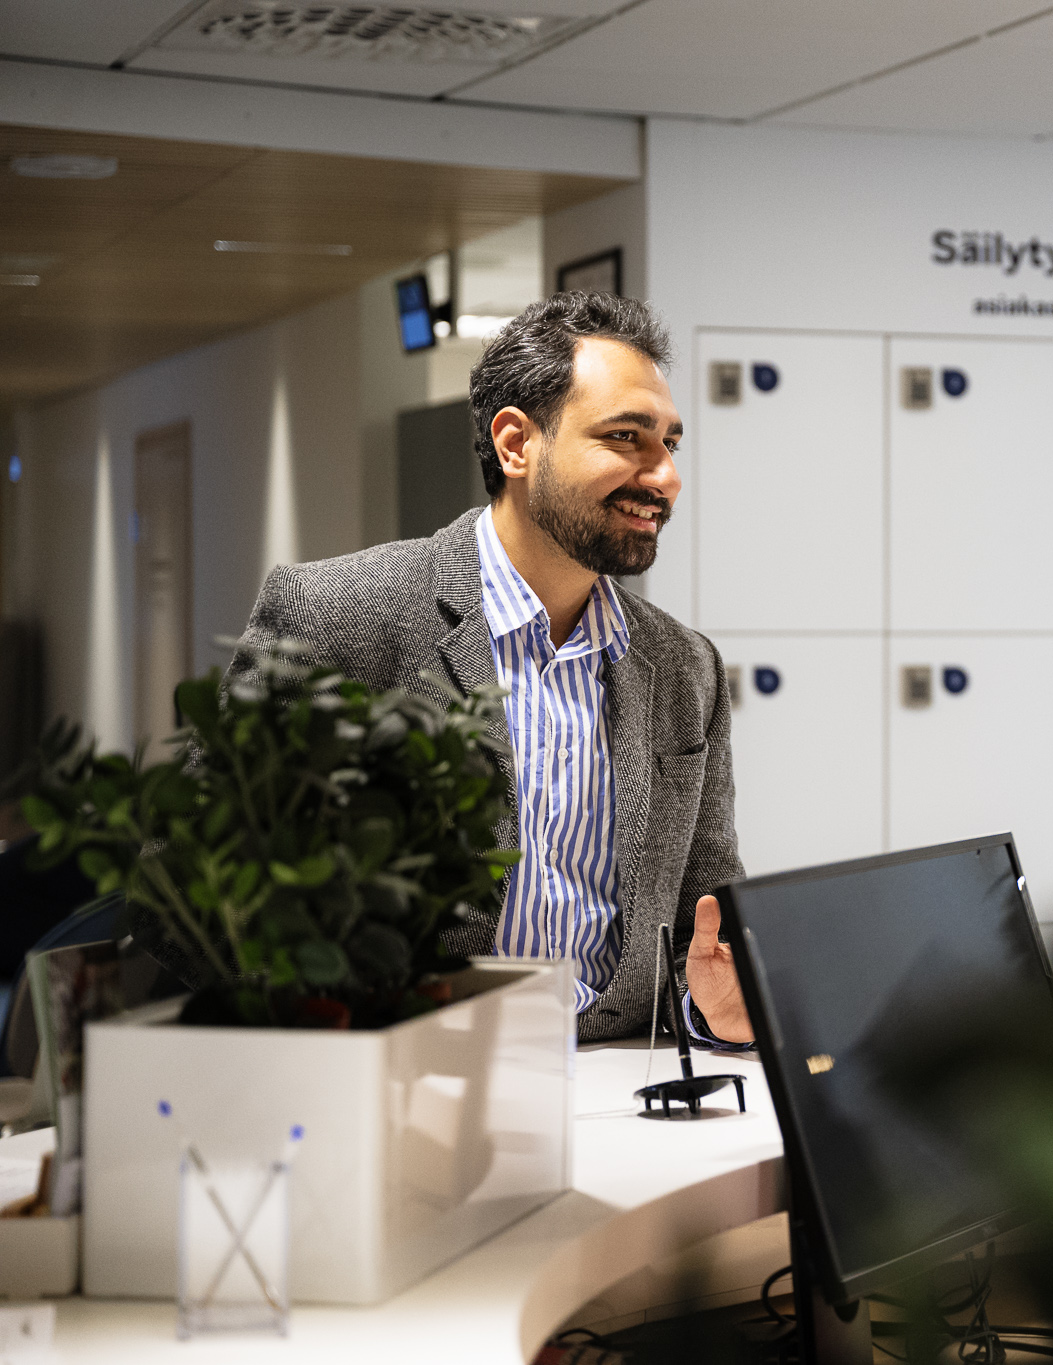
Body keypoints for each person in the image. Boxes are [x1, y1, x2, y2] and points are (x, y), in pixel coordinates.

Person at [226, 293, 754, 1046]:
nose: (664, 475)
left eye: (669, 444)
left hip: (618, 1081)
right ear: (516, 444)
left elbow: (700, 926)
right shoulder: (338, 616)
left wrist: (713, 1009)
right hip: (409, 1077)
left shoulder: (684, 668)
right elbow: (197, 888)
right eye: (626, 438)